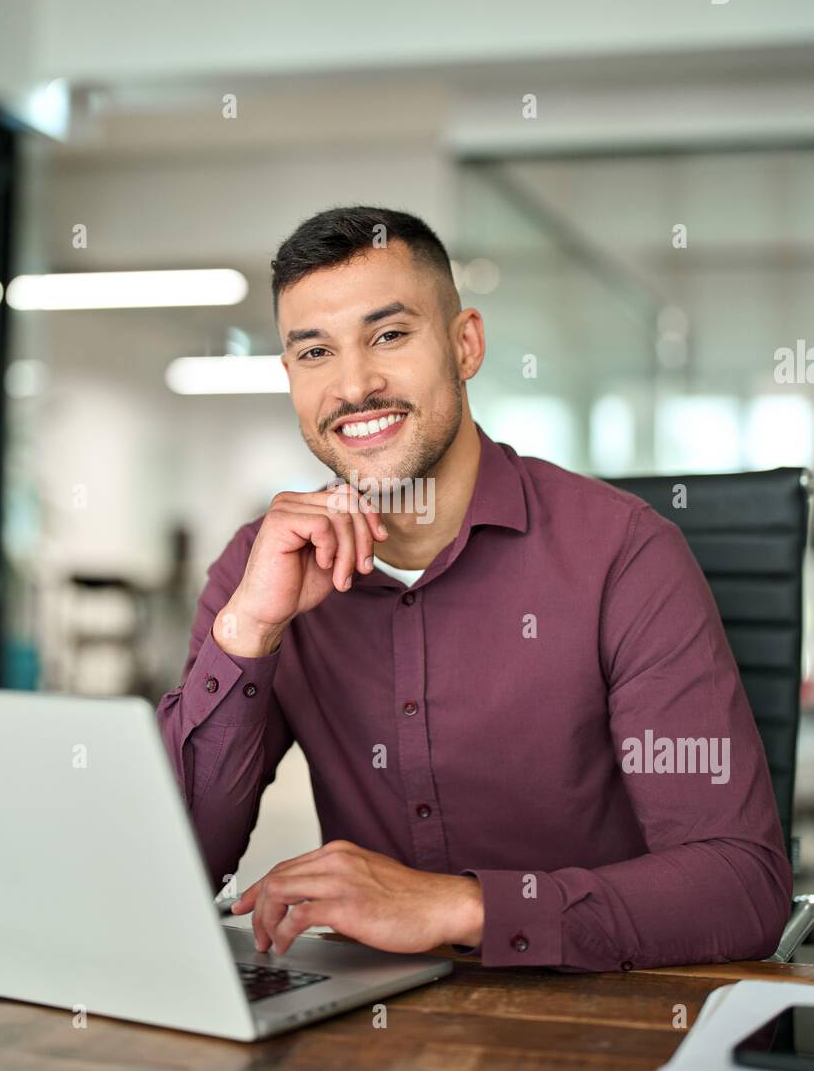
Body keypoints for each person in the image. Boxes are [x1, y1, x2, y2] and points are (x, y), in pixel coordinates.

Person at [156, 205, 792, 970]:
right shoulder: (261, 567)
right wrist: (248, 636)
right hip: (370, 1023)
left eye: (389, 336)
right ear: (290, 377)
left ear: (465, 345)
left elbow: (739, 888)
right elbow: (167, 872)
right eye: (316, 351)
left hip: (603, 1017)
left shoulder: (626, 555)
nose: (355, 385)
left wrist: (461, 905)